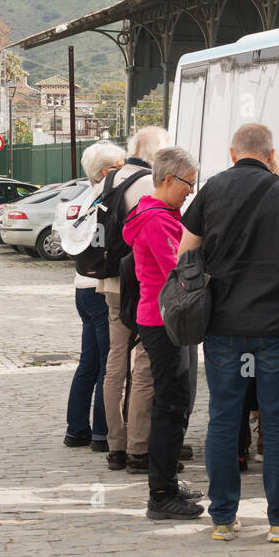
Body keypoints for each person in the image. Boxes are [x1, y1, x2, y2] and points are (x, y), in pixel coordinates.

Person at [178, 123, 279, 543]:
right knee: (278, 421)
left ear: (232, 152)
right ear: (271, 153)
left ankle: (223, 518)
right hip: (278, 328)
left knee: (224, 418)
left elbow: (185, 252)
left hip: (224, 327)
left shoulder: (211, 191)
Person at [121, 147, 205, 519]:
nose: (191, 191)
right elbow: (180, 268)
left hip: (163, 318)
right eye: (188, 183)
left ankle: (167, 480)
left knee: (177, 403)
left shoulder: (160, 213)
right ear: (168, 178)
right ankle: (160, 494)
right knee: (170, 407)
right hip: (164, 321)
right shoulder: (157, 220)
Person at [100, 125, 171, 472]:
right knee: (143, 365)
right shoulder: (146, 184)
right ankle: (139, 446)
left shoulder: (110, 179)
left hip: (111, 282)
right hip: (140, 283)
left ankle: (115, 443)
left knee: (116, 362)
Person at [63, 141, 123, 452]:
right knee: (106, 363)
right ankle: (101, 432)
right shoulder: (106, 198)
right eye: (119, 165)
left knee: (88, 362)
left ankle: (76, 430)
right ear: (106, 171)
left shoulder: (82, 198)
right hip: (99, 290)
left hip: (81, 287)